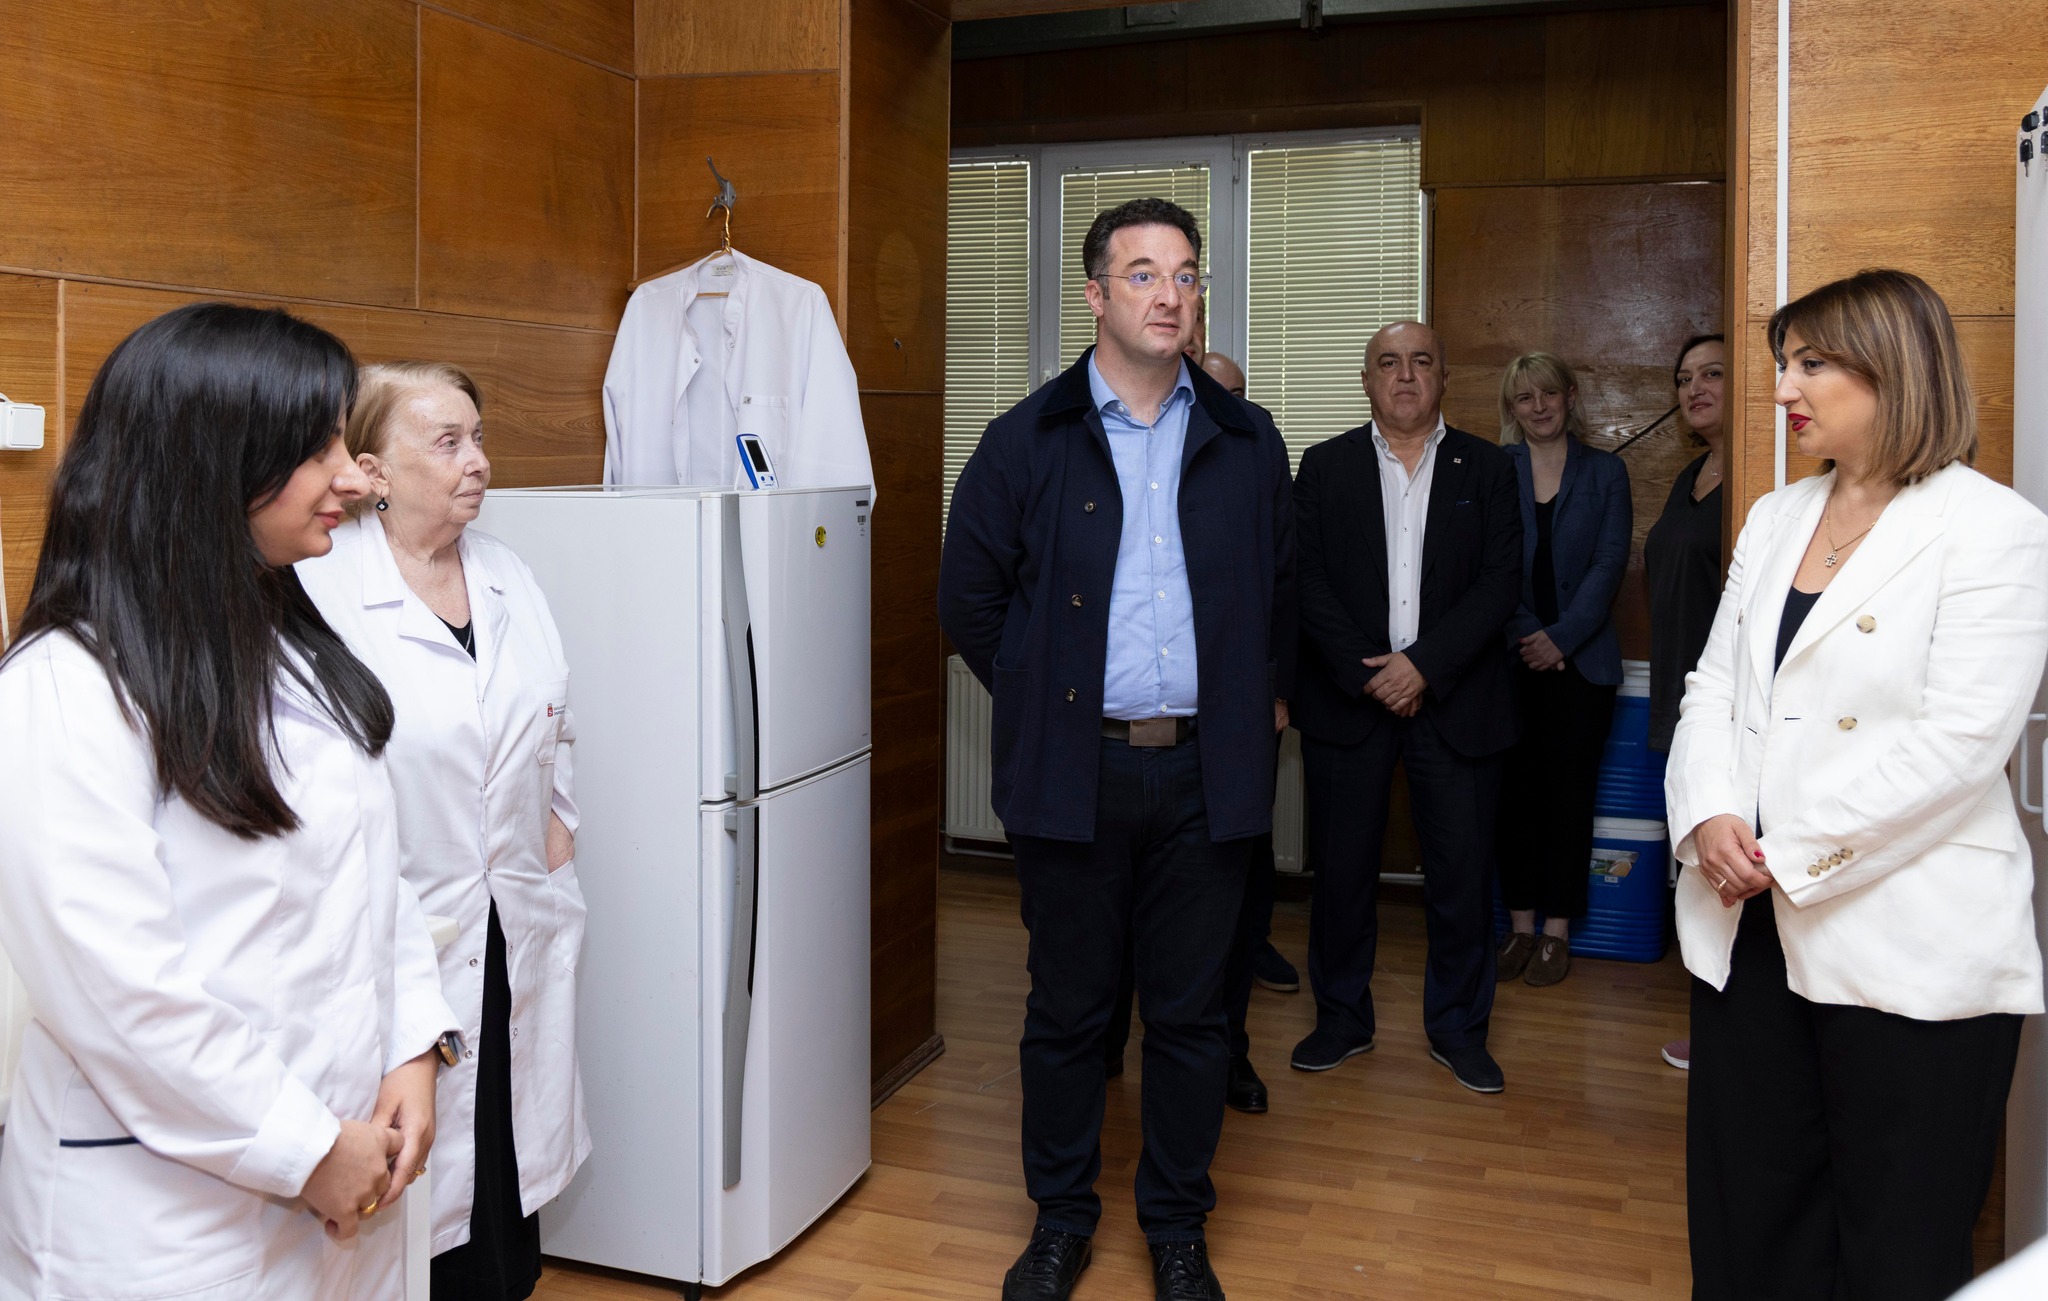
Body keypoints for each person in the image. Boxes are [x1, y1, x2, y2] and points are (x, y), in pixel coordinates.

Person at [0, 303, 458, 1298]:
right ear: (211, 463)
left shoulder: (292, 650)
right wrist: (305, 1147)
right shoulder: (68, 685)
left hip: (347, 1169)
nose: (354, 476)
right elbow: (120, 990)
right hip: (169, 1218)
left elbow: (374, 878)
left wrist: (412, 1047)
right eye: (317, 447)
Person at [940, 197, 1294, 1301]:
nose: (1167, 294)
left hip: (1205, 774)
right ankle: (1059, 1219)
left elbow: (1282, 590)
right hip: (1074, 773)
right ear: (1095, 295)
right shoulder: (1024, 438)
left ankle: (1177, 1226)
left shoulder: (1246, 438)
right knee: (1068, 1014)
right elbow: (968, 598)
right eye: (1142, 274)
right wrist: (1049, 699)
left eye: (1184, 275)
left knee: (1190, 1016)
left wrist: (1259, 697)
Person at [1669, 269, 2048, 1300]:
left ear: (1893, 369)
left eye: (1810, 363)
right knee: (1749, 1226)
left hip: (1906, 939)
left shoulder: (1993, 528)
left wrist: (1781, 854)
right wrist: (1707, 813)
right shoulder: (1772, 517)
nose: (1781, 387)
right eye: (1781, 362)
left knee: (1895, 1245)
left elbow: (1958, 745)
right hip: (1747, 925)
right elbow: (1713, 685)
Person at [297, 362, 589, 1301]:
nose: (478, 461)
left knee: (502, 1152)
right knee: (419, 1191)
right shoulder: (323, 589)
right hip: (401, 937)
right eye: (448, 442)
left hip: (515, 919)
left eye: (479, 436)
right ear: (374, 471)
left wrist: (557, 821)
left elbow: (556, 715)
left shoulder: (506, 573)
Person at [1289, 320, 1521, 1094]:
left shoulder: (1488, 467)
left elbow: (1500, 582)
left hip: (1456, 703)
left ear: (1444, 376)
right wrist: (1372, 673)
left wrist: (1422, 665)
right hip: (1349, 703)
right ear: (1366, 380)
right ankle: (1340, 1018)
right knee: (1342, 876)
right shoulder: (1324, 467)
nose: (1406, 375)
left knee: (1461, 878)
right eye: (1388, 363)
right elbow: (1305, 580)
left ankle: (1458, 1028)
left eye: (1422, 360)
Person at [1492, 352, 1631, 988]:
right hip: (1510, 662)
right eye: (1525, 397)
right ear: (1512, 408)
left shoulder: (1606, 472)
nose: (1539, 407)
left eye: (1548, 393)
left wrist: (1562, 639)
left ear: (1570, 397)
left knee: (1570, 801)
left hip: (1582, 666)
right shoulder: (1497, 469)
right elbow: (1489, 566)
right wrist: (1530, 636)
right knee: (1514, 798)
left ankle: (1556, 931)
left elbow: (1608, 566)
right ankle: (1519, 926)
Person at [1643, 332, 1727, 1071]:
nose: (1694, 388)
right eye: (1683, 378)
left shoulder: (1755, 484)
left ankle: (1731, 1038)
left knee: (1729, 871)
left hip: (1730, 709)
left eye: (1712, 374)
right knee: (1698, 873)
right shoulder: (1690, 477)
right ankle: (1719, 1029)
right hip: (1680, 695)